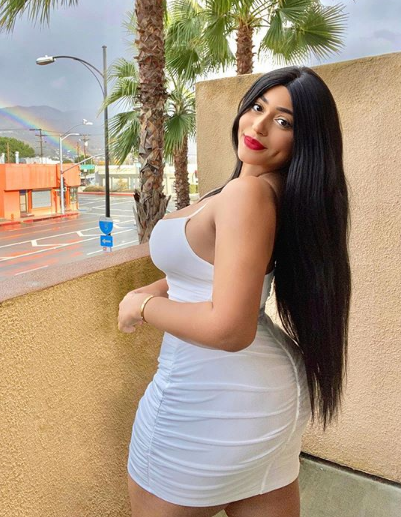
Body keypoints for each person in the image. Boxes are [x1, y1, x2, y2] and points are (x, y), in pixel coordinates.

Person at [118, 66, 351, 517]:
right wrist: (160, 286)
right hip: (264, 394)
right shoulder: (273, 191)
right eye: (257, 107)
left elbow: (229, 328)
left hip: (209, 394)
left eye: (283, 121)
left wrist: (141, 305)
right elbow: (221, 269)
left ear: (306, 140)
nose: (259, 126)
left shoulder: (248, 194)